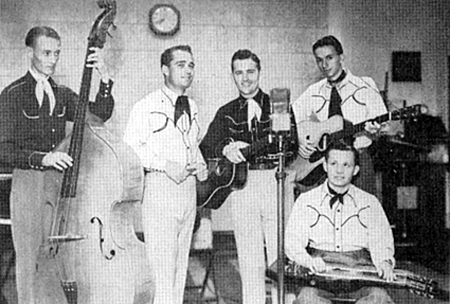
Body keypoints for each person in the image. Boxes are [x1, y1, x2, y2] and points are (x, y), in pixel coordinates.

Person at [0, 26, 114, 304]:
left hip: (58, 185)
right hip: (28, 182)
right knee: (29, 260)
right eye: (46, 53)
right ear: (30, 53)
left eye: (57, 53)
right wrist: (42, 158)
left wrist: (105, 78)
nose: (52, 59)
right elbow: (2, 149)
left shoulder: (61, 93)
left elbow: (98, 115)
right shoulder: (13, 94)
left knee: (58, 256)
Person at [200, 49, 297, 304]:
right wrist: (226, 148)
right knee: (249, 258)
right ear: (232, 75)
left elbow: (293, 145)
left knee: (280, 256)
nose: (245, 78)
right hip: (243, 187)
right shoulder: (226, 111)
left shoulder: (279, 103)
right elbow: (206, 147)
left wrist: (253, 147)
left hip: (275, 182)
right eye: (239, 72)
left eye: (250, 72)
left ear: (259, 72)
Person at [123, 45, 207, 304]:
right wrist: (164, 164)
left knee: (180, 267)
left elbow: (192, 144)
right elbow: (130, 148)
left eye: (191, 65)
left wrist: (200, 164)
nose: (188, 70)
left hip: (187, 191)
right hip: (160, 191)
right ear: (164, 69)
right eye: (181, 64)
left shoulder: (192, 106)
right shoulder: (146, 106)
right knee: (161, 269)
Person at [285, 141, 395, 304]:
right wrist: (308, 260)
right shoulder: (306, 200)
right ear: (325, 166)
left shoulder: (369, 202)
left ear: (356, 170)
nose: (339, 170)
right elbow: (292, 241)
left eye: (346, 165)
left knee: (378, 298)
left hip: (360, 274)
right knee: (308, 299)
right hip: (319, 272)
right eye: (334, 163)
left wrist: (384, 261)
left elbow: (381, 240)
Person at [291, 35, 387, 195]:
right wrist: (300, 139)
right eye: (319, 60)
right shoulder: (314, 91)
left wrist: (376, 131)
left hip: (358, 162)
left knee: (361, 213)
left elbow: (383, 125)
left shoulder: (365, 86)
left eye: (329, 58)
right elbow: (291, 119)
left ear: (341, 57)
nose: (324, 64)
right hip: (326, 164)